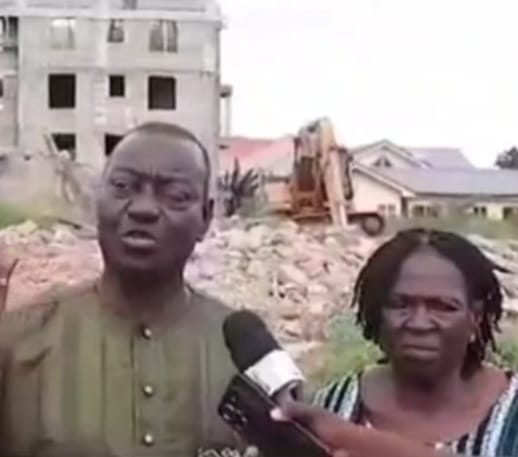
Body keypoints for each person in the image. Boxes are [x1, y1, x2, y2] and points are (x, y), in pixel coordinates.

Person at [0, 122, 241, 456]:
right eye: (124, 187)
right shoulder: (18, 343)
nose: (143, 209)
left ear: (205, 217)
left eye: (174, 196)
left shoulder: (244, 356)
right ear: (99, 201)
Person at [313, 228, 518, 457]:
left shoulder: (512, 410)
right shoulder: (333, 405)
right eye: (399, 304)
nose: (419, 323)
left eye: (443, 307)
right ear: (376, 314)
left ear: (476, 319)